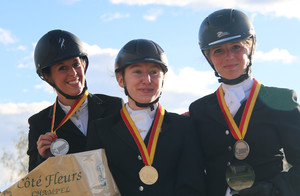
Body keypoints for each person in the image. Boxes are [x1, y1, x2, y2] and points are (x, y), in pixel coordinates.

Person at [189, 8, 300, 196]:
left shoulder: (281, 100)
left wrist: (274, 190)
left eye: (236, 47)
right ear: (208, 57)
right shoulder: (199, 110)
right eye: (218, 51)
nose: (228, 57)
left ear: (251, 47)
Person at [87, 39, 206, 195]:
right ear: (121, 80)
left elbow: (192, 186)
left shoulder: (183, 126)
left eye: (154, 72)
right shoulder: (100, 129)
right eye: (137, 72)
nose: (147, 80)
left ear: (163, 78)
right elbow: (96, 188)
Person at [27, 29, 123, 172]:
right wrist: (43, 158)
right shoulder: (39, 123)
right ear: (48, 77)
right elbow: (35, 183)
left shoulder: (114, 106)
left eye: (76, 64)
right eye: (62, 68)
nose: (73, 73)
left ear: (84, 65)